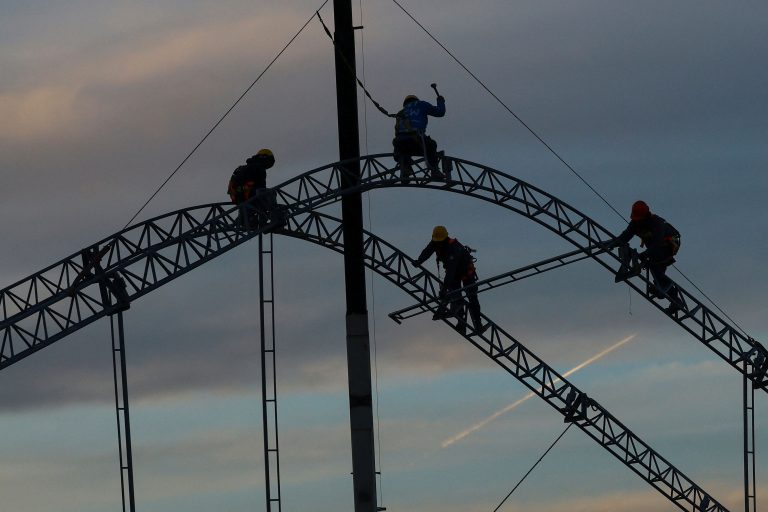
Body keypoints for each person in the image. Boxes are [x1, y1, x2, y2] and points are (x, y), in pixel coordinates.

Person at [414, 225, 488, 334]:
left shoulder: (453, 248)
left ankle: (478, 325)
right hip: (454, 274)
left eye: (440, 241)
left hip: (466, 272)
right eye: (436, 241)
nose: (438, 243)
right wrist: (419, 261)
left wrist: (444, 289)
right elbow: (427, 251)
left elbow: (451, 271)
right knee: (457, 299)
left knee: (472, 297)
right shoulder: (436, 242)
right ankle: (461, 324)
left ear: (445, 238)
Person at [614, 200, 683, 313]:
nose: (638, 221)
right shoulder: (635, 223)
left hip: (669, 243)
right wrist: (613, 243)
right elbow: (625, 236)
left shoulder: (656, 223)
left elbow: (657, 244)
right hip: (656, 247)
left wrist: (643, 255)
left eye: (639, 219)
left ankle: (664, 289)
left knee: (654, 262)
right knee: (657, 273)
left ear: (645, 216)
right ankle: (674, 299)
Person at [392, 92, 446, 177]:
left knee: (402, 152)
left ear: (405, 103)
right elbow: (440, 112)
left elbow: (397, 131)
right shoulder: (421, 105)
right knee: (432, 145)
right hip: (416, 140)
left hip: (400, 143)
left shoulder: (400, 113)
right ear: (416, 100)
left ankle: (405, 169)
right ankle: (434, 171)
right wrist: (440, 101)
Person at [227, 149, 277, 228]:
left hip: (239, 196)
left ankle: (245, 220)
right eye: (268, 161)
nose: (267, 165)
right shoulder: (258, 167)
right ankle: (267, 220)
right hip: (246, 193)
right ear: (263, 158)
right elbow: (260, 186)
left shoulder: (247, 167)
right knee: (269, 194)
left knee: (250, 207)